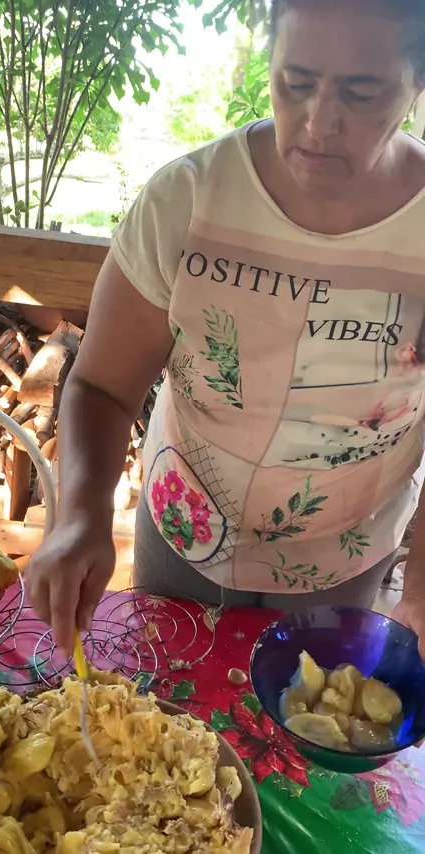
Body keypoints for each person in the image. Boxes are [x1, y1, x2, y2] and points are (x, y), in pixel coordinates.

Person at [27, 0, 425, 659]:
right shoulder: (188, 199)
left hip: (343, 553)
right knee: (163, 705)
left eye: (362, 93)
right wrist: (80, 515)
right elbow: (101, 386)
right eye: (296, 82)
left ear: (416, 86)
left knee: (307, 712)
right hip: (186, 525)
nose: (318, 123)